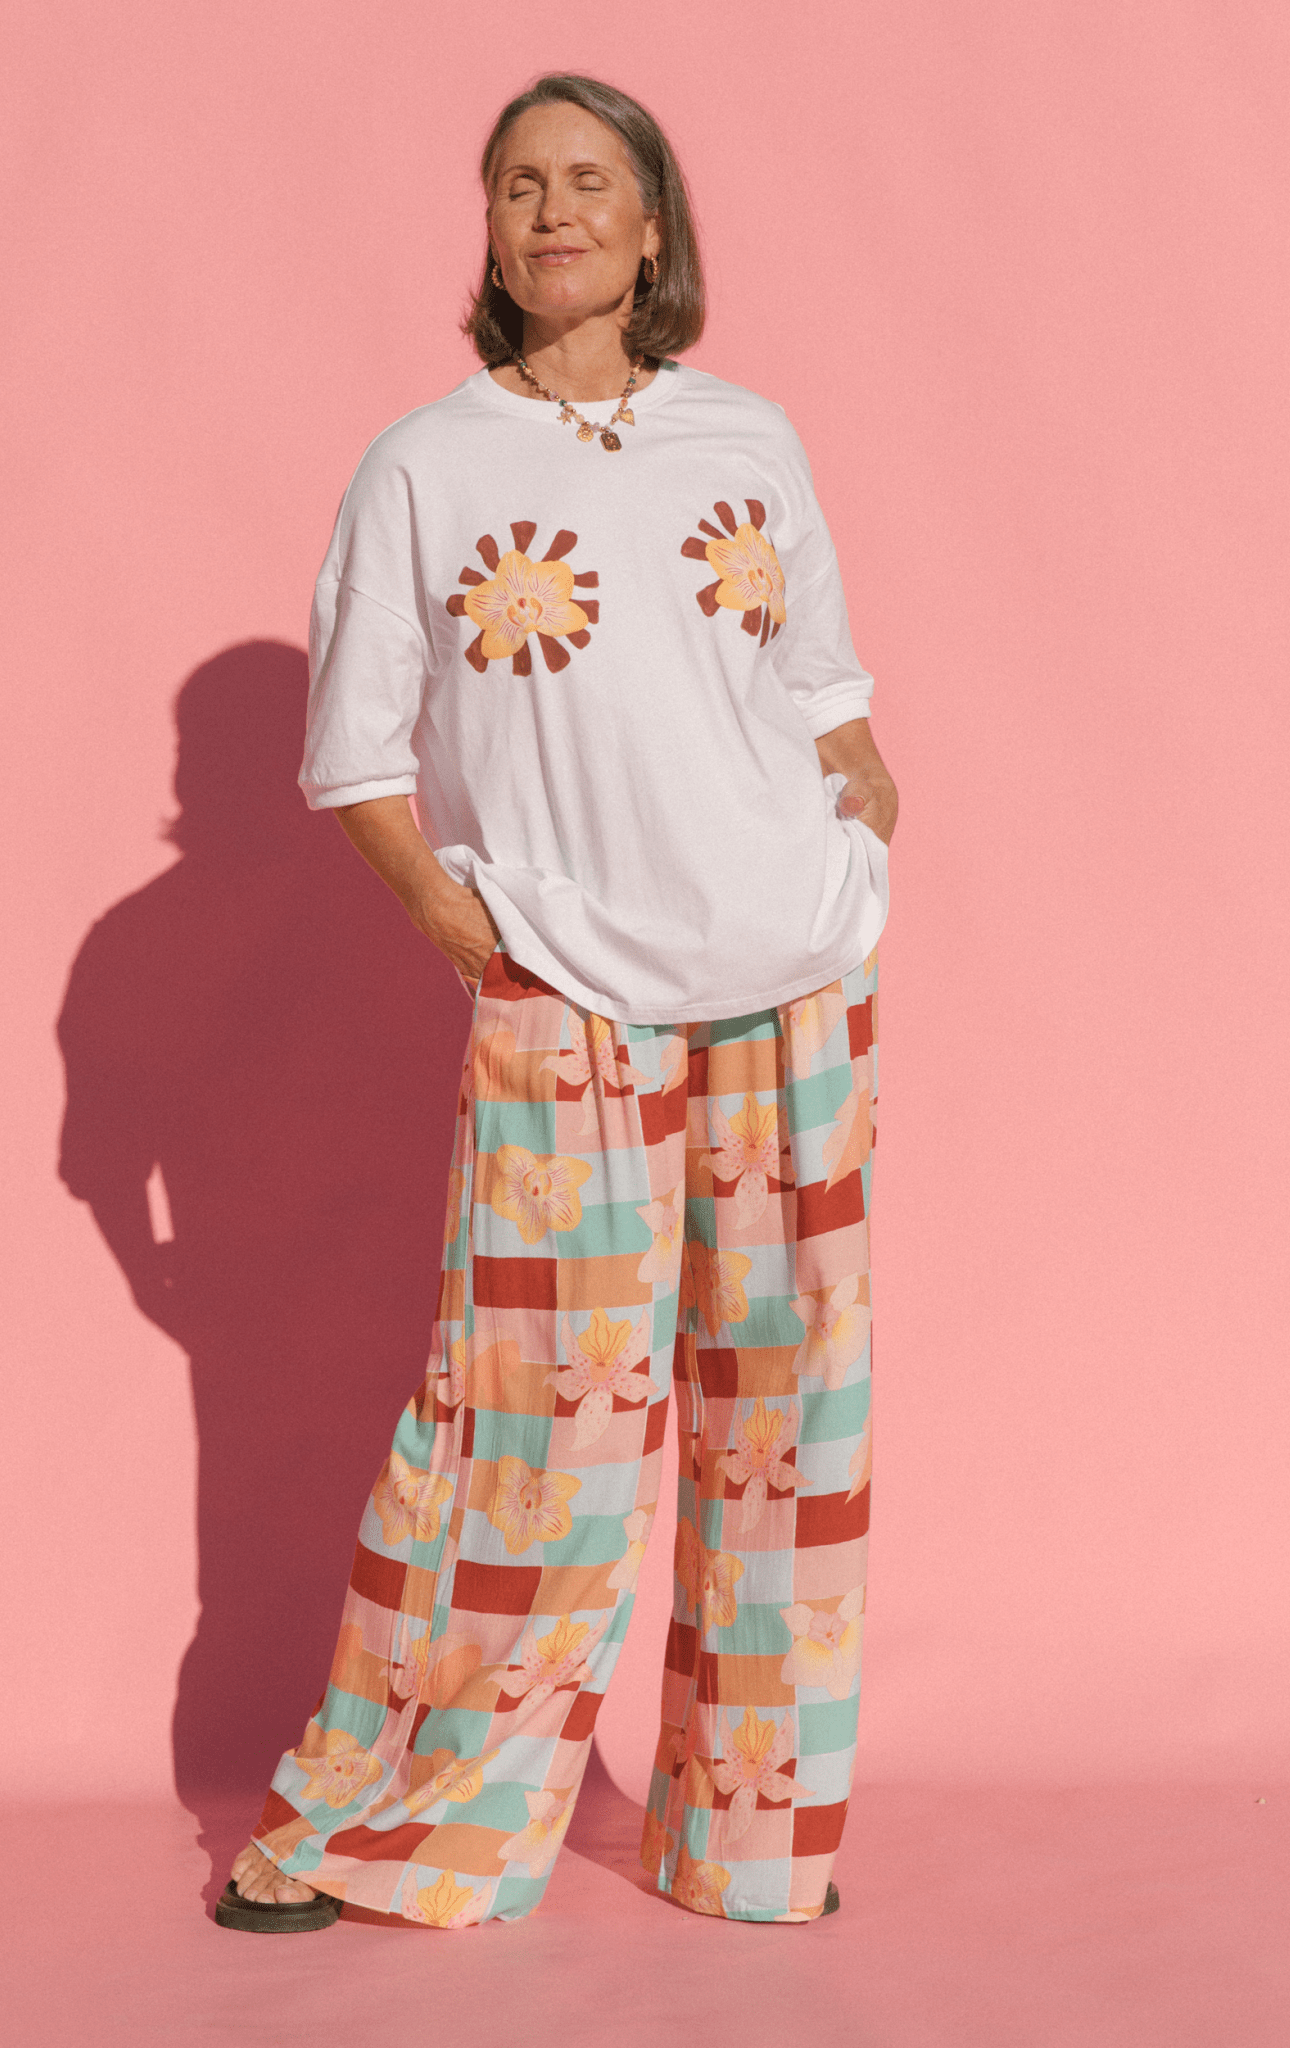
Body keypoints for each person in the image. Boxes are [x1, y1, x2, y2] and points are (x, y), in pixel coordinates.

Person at [216, 70, 897, 1934]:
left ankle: (754, 1845)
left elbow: (822, 675)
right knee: (526, 1426)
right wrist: (465, 932)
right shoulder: (425, 464)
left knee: (785, 1414)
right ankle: (415, 1821)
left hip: (790, 989)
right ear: (491, 229)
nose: (550, 211)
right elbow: (354, 761)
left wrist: (854, 824)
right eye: (518, 183)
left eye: (588, 181)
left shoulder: (746, 435)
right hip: (572, 995)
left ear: (652, 224)